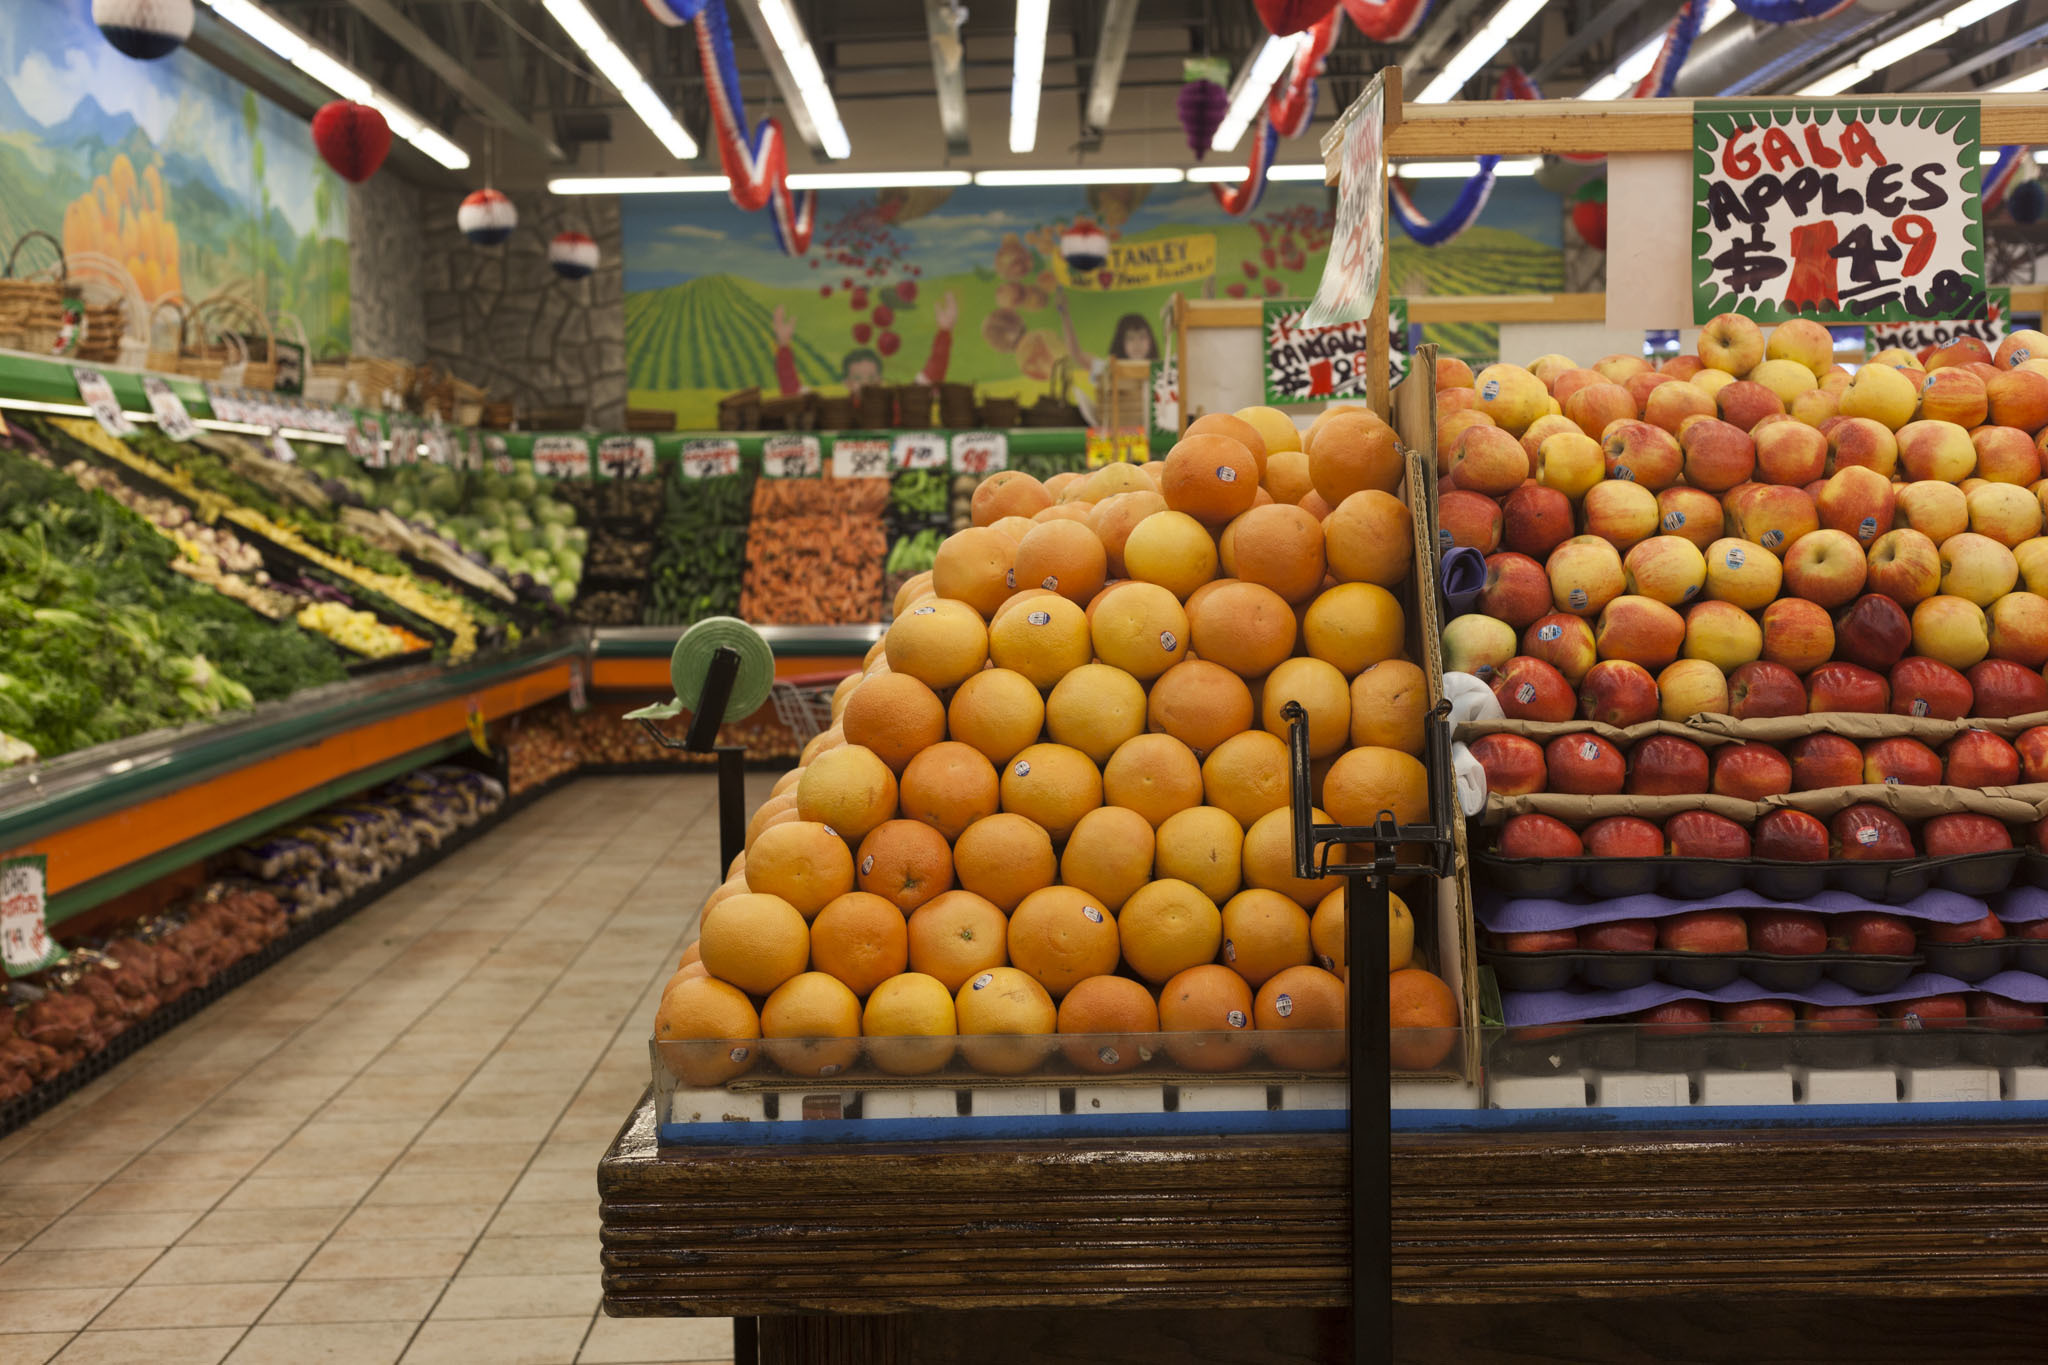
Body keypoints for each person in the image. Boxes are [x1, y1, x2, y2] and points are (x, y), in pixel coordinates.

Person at [771, 291, 958, 397]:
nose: (867, 384)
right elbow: (793, 391)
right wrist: (784, 345)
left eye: (872, 378)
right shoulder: (836, 414)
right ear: (847, 383)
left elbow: (930, 376)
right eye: (859, 379)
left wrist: (945, 331)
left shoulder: (897, 406)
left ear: (880, 381)